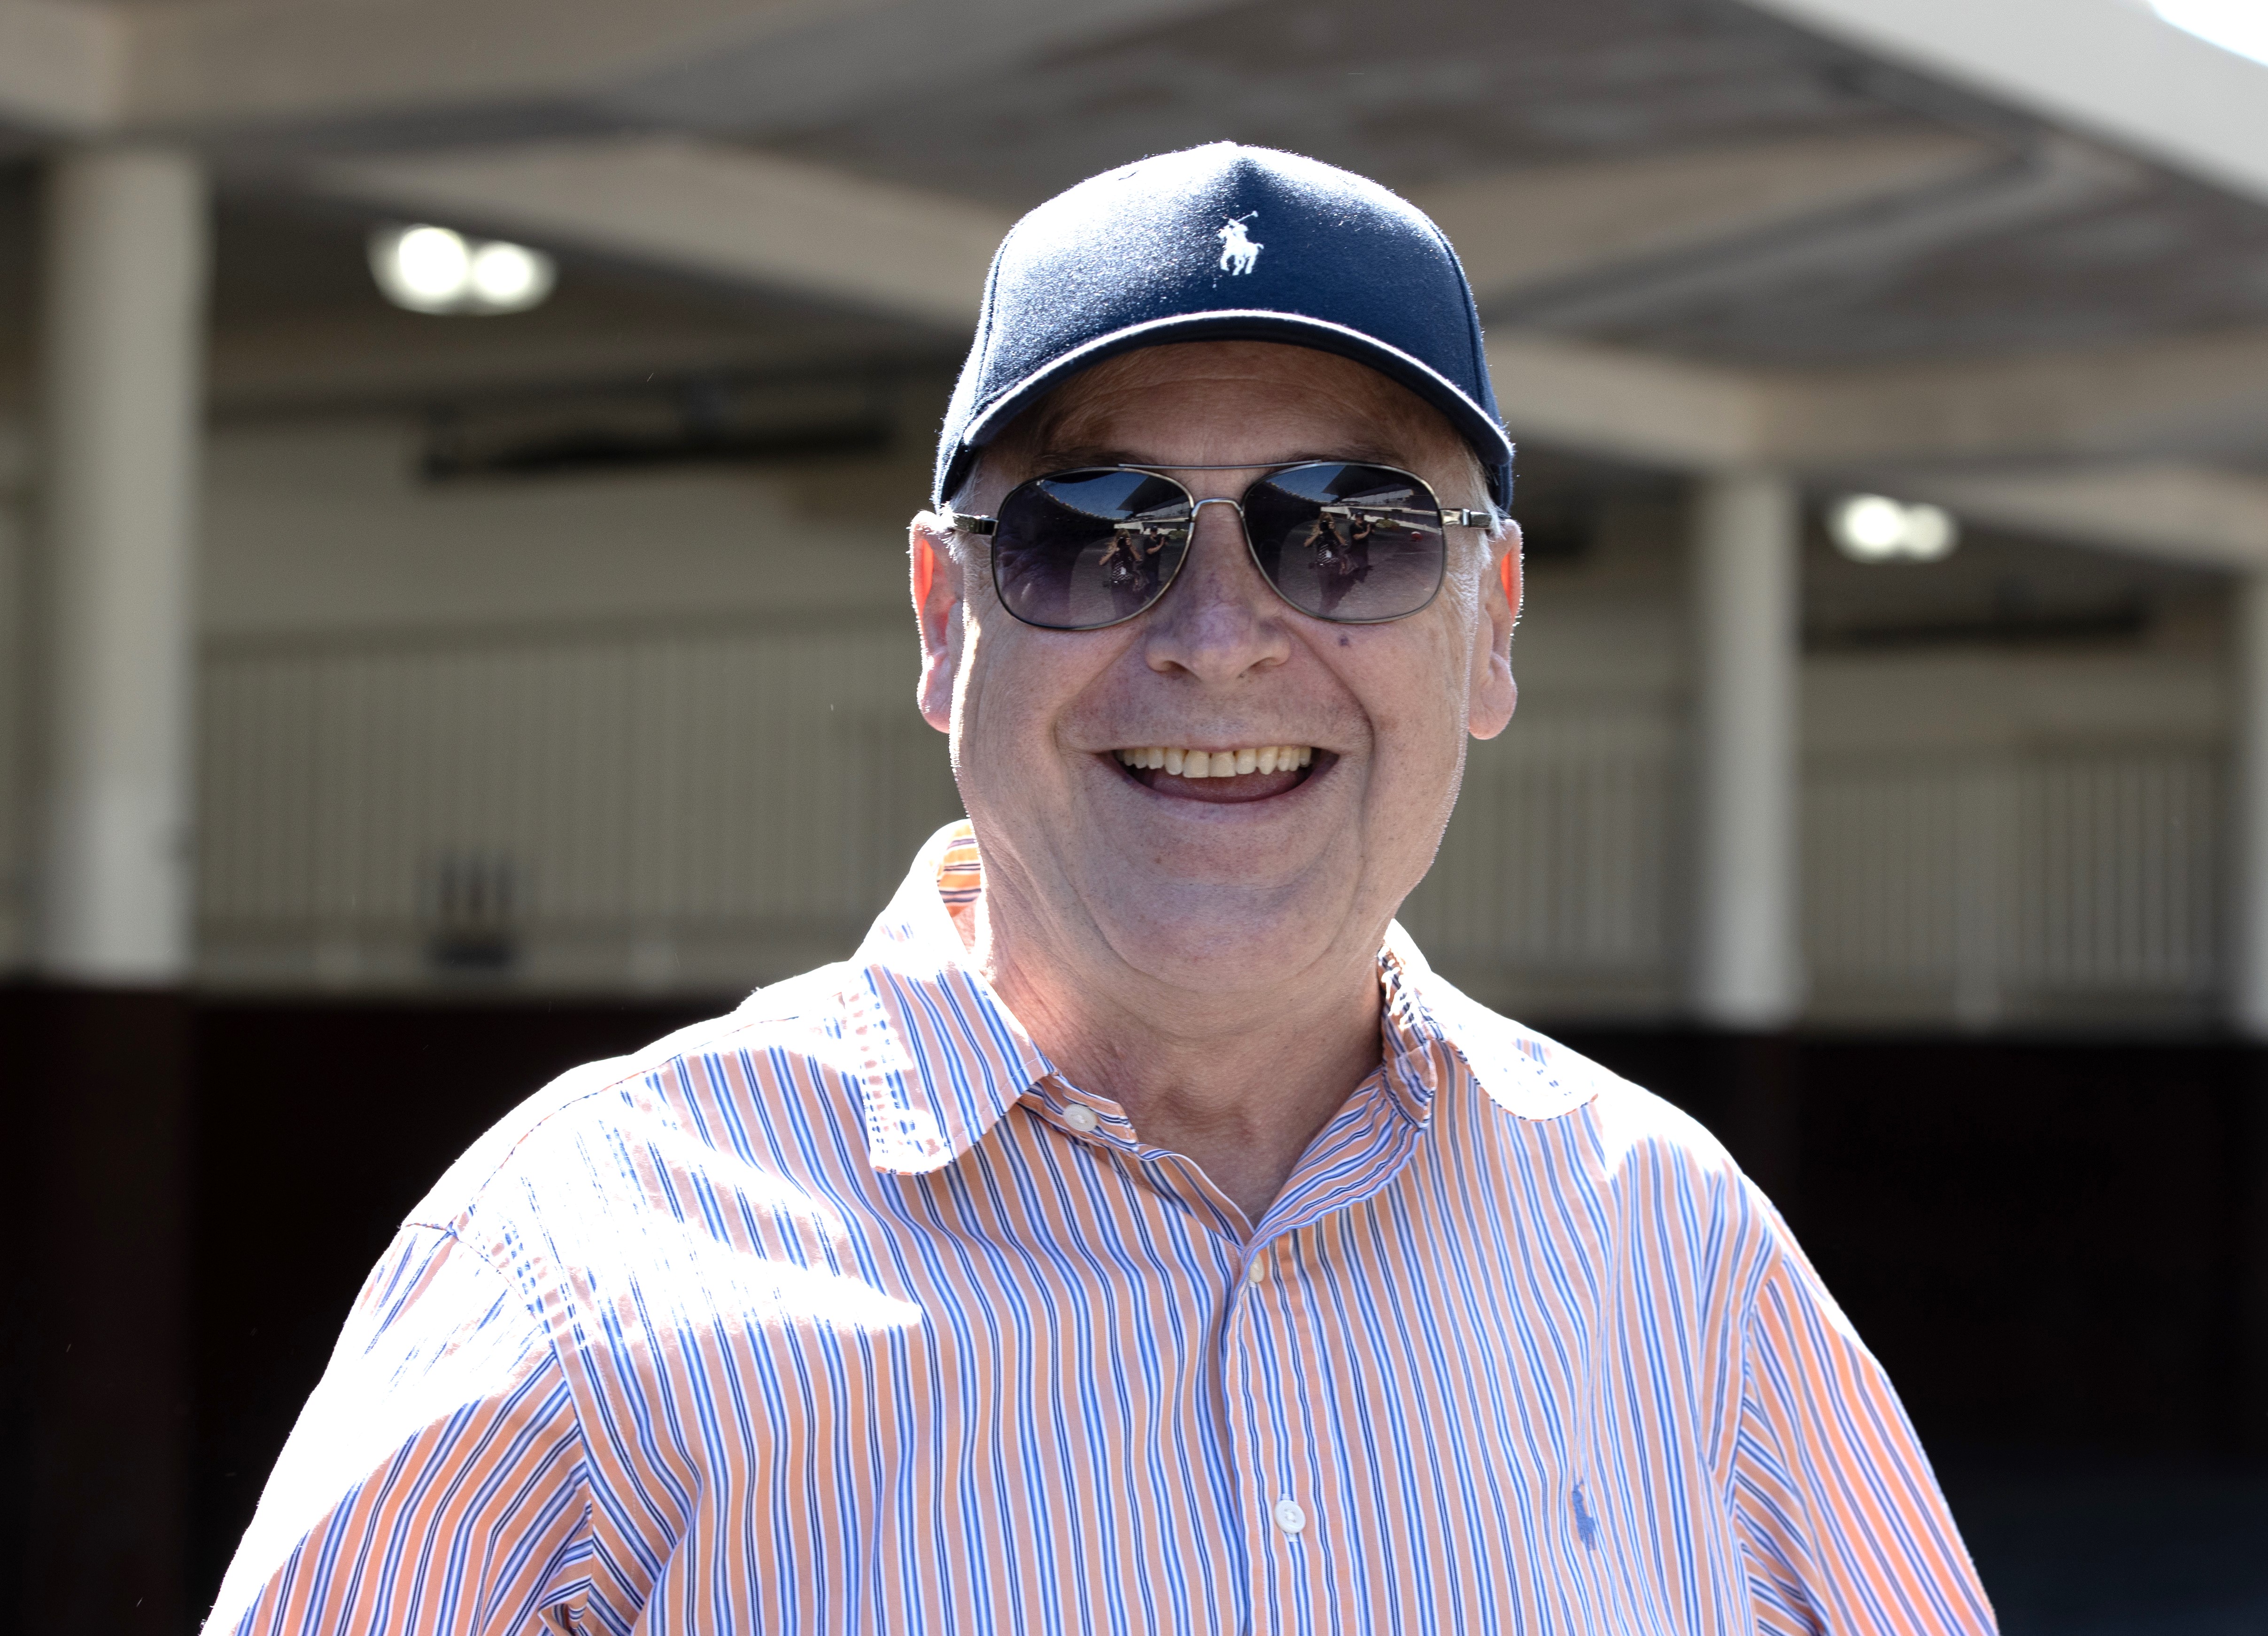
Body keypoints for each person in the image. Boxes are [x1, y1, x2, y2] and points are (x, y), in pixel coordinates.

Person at [210, 144, 1995, 1635]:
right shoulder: (576, 1266)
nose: (1220, 637)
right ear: (942, 619)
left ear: (1493, 625)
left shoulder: (1677, 1254)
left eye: (1349, 532)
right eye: (1091, 534)